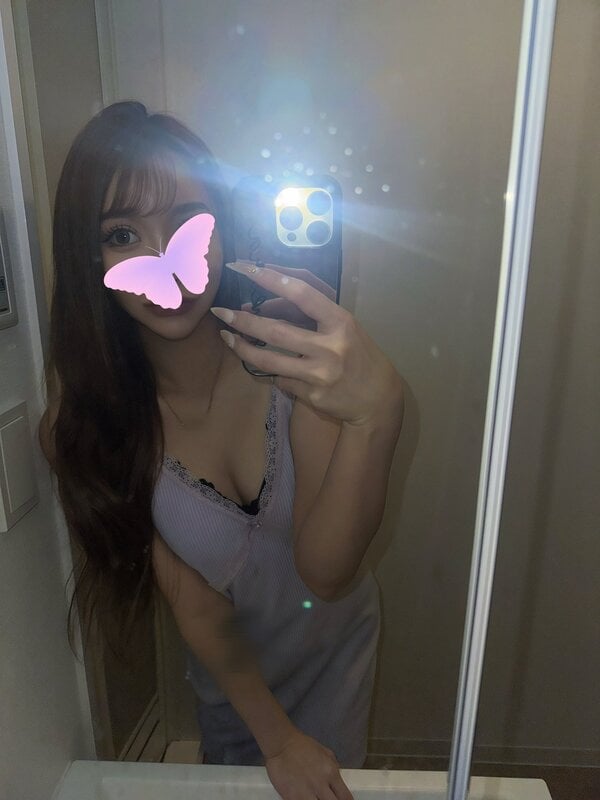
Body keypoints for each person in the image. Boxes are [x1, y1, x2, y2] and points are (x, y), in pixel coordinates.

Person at [39, 101, 404, 800]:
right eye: (123, 233)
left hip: (339, 655)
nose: (163, 258)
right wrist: (278, 739)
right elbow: (195, 604)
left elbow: (326, 573)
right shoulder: (87, 430)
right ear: (91, 257)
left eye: (186, 222)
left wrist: (377, 414)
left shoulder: (288, 361)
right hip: (236, 693)